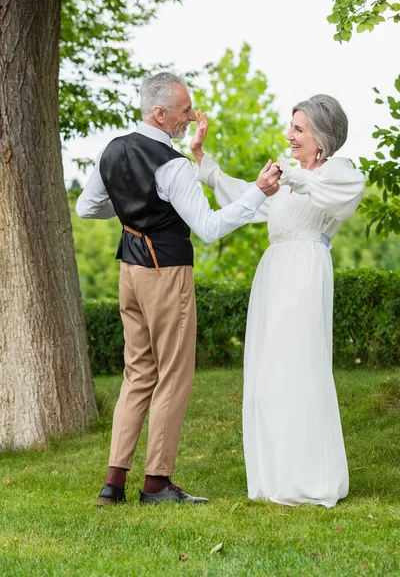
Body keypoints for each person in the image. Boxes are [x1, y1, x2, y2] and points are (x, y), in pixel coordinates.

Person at [76, 72, 281, 505]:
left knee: (137, 374)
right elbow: (207, 228)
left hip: (129, 272)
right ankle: (155, 484)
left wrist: (134, 201)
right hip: (165, 273)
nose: (192, 116)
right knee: (173, 375)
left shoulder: (112, 150)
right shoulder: (173, 167)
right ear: (160, 113)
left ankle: (113, 485)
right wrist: (258, 193)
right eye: (185, 110)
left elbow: (87, 205)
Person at [191, 95, 366, 507]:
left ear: (321, 137)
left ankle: (310, 479)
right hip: (273, 272)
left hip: (306, 269)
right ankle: (276, 477)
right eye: (292, 127)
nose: (289, 135)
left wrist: (290, 175)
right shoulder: (286, 174)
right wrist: (204, 160)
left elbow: (336, 194)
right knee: (269, 369)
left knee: (298, 365)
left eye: (299, 129)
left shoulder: (339, 173)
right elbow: (247, 196)